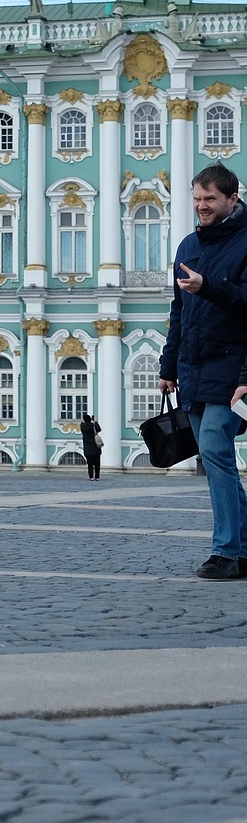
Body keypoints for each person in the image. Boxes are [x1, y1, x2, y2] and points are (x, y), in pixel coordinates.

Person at [160, 163, 247, 580]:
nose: (202, 206)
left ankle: (226, 551)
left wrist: (208, 286)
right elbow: (179, 312)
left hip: (234, 368)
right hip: (194, 369)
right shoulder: (187, 247)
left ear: (232, 198)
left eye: (210, 199)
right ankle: (243, 548)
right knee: (217, 461)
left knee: (214, 449)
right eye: (197, 199)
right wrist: (168, 365)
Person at [80, 413, 103, 481]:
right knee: (97, 464)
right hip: (95, 447)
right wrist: (95, 422)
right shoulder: (93, 426)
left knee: (90, 464)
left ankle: (91, 477)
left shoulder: (82, 426)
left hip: (87, 449)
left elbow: (83, 426)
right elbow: (99, 429)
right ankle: (97, 476)